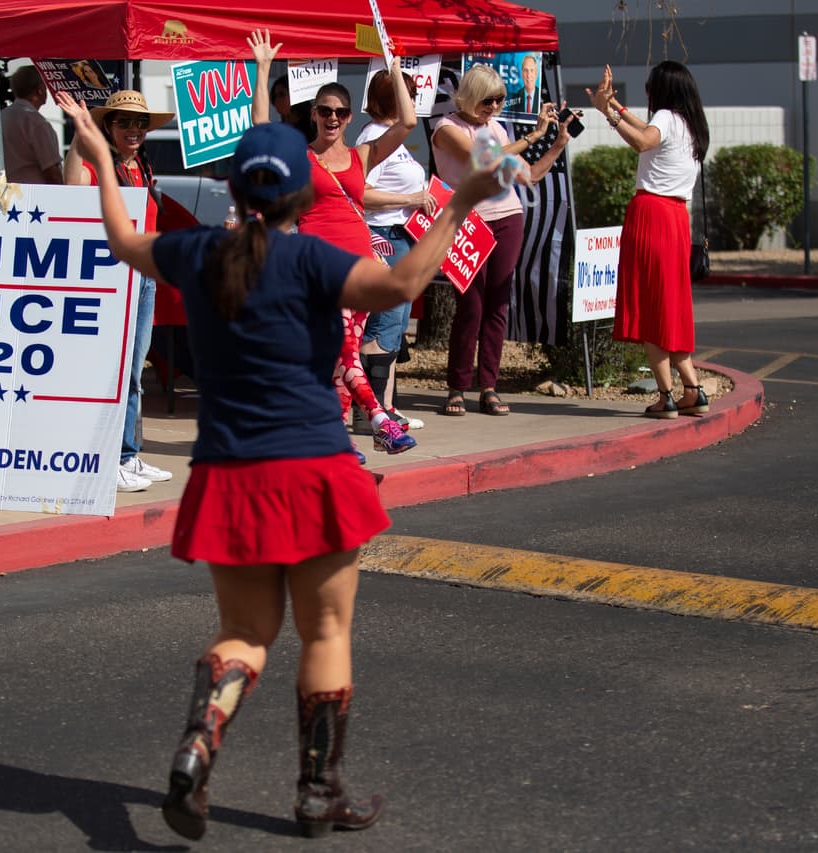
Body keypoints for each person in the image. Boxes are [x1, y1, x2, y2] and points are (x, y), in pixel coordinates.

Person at [55, 88, 509, 842]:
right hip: (314, 468)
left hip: (228, 475)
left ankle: (199, 744)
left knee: (244, 631)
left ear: (234, 186)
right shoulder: (311, 258)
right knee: (325, 631)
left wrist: (100, 158)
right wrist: (461, 198)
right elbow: (400, 284)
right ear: (302, 188)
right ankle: (315, 792)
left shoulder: (196, 251)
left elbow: (121, 244)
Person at [249, 29, 416, 458]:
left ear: (348, 117)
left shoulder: (361, 156)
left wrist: (394, 70)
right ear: (314, 114)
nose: (333, 118)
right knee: (346, 351)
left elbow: (409, 122)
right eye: (324, 110)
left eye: (341, 112)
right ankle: (380, 420)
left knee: (342, 360)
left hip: (361, 270)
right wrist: (264, 67)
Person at [431, 63, 572, 416]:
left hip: (508, 216)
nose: (494, 107)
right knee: (471, 306)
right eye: (488, 100)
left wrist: (555, 143)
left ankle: (489, 386)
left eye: (499, 100)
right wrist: (530, 138)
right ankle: (457, 386)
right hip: (468, 220)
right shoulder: (445, 127)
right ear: (469, 96)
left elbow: (530, 176)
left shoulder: (495, 127)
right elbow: (484, 160)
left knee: (498, 305)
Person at [63, 90, 176, 492]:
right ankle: (110, 458)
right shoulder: (102, 164)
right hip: (112, 278)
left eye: (140, 123)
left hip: (142, 277)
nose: (134, 130)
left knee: (134, 372)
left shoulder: (140, 166)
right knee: (116, 371)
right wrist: (80, 133)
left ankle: (127, 454)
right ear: (108, 127)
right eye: (125, 122)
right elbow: (73, 186)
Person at [586, 61, 710, 419]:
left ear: (663, 89)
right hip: (676, 219)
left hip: (651, 214)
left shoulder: (668, 119)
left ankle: (665, 395)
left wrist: (609, 116)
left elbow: (643, 140)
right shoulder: (692, 126)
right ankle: (693, 389)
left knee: (648, 307)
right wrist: (613, 106)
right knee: (671, 305)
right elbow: (647, 129)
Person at [357, 68, 438, 433]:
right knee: (384, 322)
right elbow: (361, 191)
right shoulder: (374, 136)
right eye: (409, 94)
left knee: (396, 323)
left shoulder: (392, 138)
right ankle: (370, 411)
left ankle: (386, 406)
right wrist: (410, 198)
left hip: (402, 233)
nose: (415, 101)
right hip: (383, 234)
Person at [1, 65, 63, 184]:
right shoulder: (36, 122)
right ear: (39, 89)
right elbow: (51, 171)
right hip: (35, 195)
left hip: (3, 193)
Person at [269, 73, 315, 143]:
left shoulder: (313, 129)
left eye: (282, 94)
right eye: (275, 96)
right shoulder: (276, 130)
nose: (277, 100)